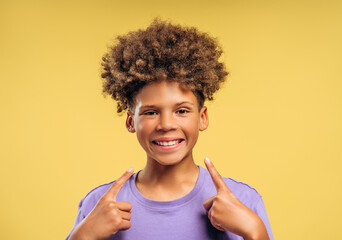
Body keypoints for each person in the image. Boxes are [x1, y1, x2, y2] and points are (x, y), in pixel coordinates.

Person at [66, 19, 274, 240]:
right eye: (151, 112)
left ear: (202, 118)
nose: (166, 125)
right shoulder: (100, 205)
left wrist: (255, 230)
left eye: (182, 111)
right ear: (130, 121)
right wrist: (83, 237)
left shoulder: (244, 201)